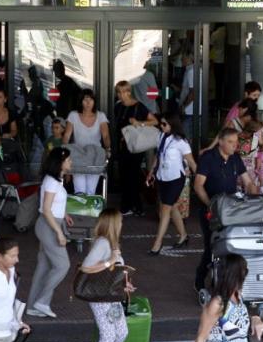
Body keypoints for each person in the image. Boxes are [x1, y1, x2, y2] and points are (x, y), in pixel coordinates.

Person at [193, 128, 258, 292]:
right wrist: (211, 205)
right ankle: (200, 279)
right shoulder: (208, 158)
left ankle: (228, 282)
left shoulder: (235, 158)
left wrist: (256, 197)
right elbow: (198, 185)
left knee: (233, 245)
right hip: (211, 211)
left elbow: (248, 182)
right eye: (230, 142)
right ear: (220, 142)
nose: (234, 146)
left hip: (232, 211)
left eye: (236, 142)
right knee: (212, 246)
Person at [79, 208, 135, 342]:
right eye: (120, 221)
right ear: (113, 224)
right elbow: (86, 267)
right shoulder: (103, 243)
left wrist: (124, 285)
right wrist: (109, 261)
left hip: (112, 296)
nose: (122, 224)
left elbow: (113, 272)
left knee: (122, 332)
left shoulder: (111, 243)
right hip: (101, 297)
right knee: (109, 335)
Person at [26, 147, 73, 318]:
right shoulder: (52, 182)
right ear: (60, 163)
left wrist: (64, 214)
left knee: (44, 267)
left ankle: (32, 306)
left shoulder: (54, 180)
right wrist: (59, 232)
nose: (71, 162)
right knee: (63, 265)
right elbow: (46, 209)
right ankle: (43, 301)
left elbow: (51, 204)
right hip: (49, 226)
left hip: (48, 224)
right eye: (68, 160)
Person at [146, 113, 198, 254]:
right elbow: (158, 156)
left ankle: (157, 243)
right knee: (172, 206)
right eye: (161, 124)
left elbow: (191, 162)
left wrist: (200, 181)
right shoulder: (161, 136)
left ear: (172, 124)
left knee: (165, 209)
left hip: (176, 178)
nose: (161, 126)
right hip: (162, 177)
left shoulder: (181, 141)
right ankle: (183, 235)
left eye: (164, 124)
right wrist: (151, 172)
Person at [114, 80, 158, 216]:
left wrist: (139, 123)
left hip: (135, 145)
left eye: (124, 92)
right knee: (124, 175)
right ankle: (131, 206)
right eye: (118, 92)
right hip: (122, 145)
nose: (121, 95)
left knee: (132, 175)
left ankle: (133, 206)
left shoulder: (139, 106)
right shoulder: (118, 106)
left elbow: (155, 121)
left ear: (129, 92)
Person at [63, 88, 110, 195]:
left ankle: (89, 206)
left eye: (91, 100)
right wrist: (64, 153)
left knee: (91, 191)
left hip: (95, 156)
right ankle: (81, 206)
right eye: (85, 100)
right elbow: (66, 135)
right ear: (81, 101)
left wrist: (108, 150)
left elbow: (106, 136)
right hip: (77, 156)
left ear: (94, 101)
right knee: (79, 189)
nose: (88, 103)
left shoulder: (101, 116)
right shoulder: (73, 115)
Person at [179, 52, 195, 139]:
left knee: (186, 137)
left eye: (183, 58)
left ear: (190, 59)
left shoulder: (191, 71)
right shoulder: (189, 70)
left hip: (189, 109)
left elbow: (193, 92)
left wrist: (184, 106)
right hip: (190, 109)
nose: (181, 60)